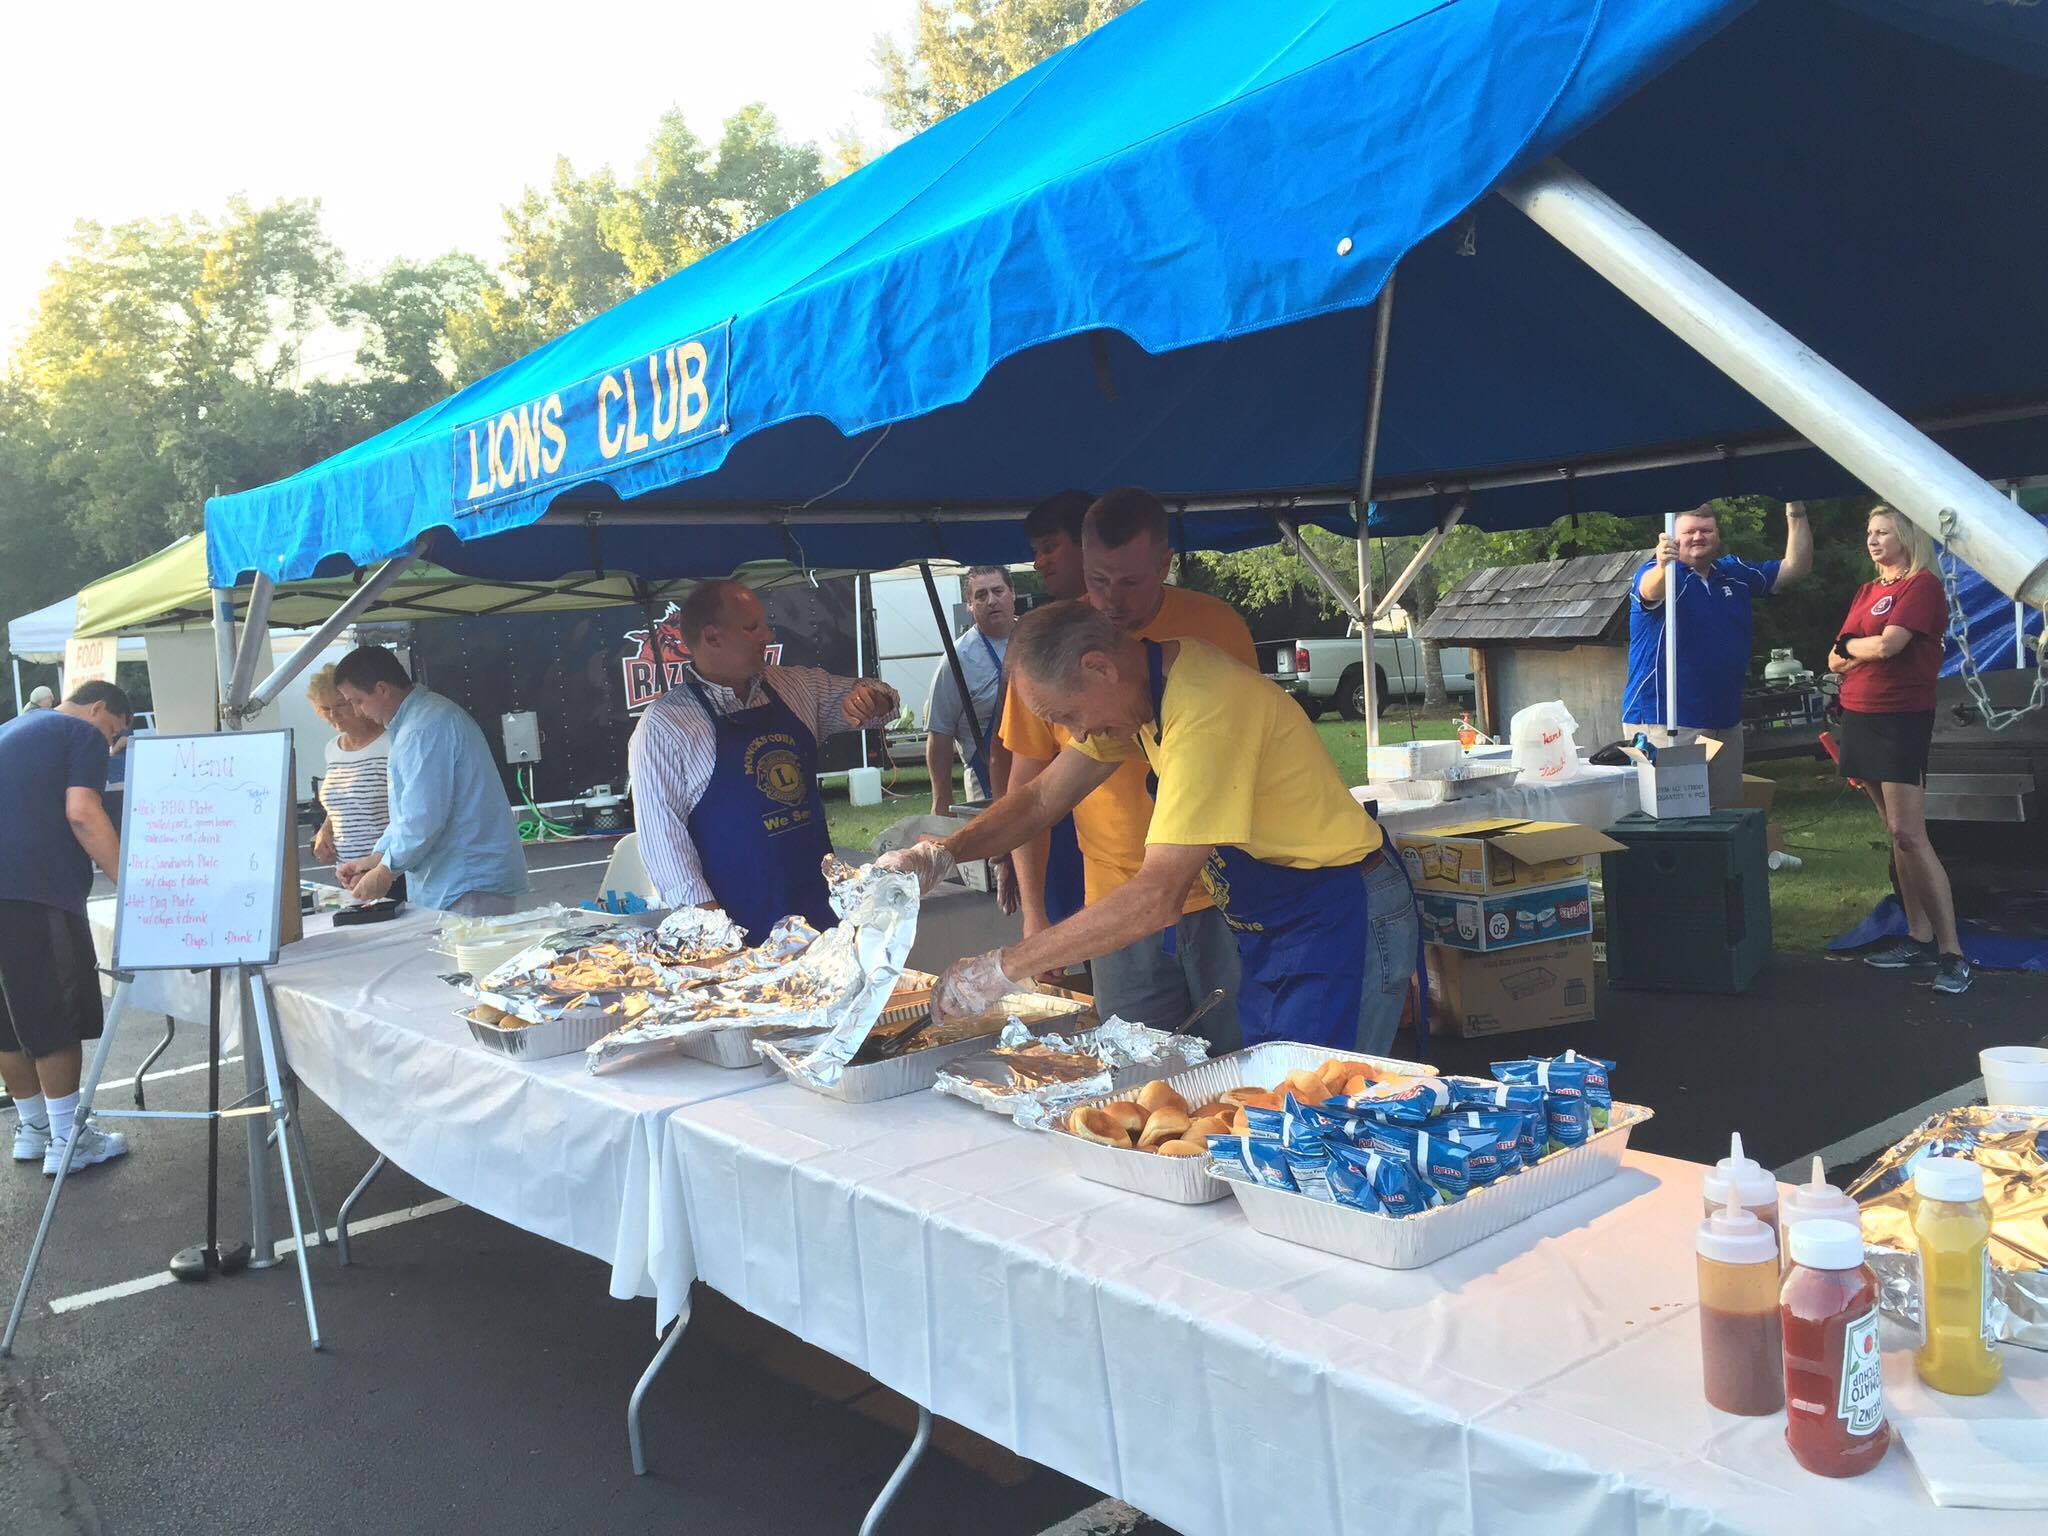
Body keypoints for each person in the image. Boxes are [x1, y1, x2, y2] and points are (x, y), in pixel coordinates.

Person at [884, 603, 1417, 1053]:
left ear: (1098, 667)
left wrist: (1004, 968)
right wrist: (944, 853)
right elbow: (1043, 798)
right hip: (1279, 921)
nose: (1078, 733)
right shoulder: (1144, 692)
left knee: (1322, 1110)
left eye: (1069, 716)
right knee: (1277, 1104)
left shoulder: (1205, 709)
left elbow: (1158, 895)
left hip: (1342, 911)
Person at [996, 488, 1260, 1047]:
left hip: (1227, 892)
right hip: (1113, 896)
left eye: (1131, 583)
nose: (1112, 601)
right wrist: (1033, 914)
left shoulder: (1215, 635)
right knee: (1136, 1076)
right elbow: (1034, 795)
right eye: (1097, 582)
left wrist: (1005, 965)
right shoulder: (1051, 653)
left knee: (1243, 1064)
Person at [629, 578, 899, 941]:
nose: (767, 635)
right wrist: (718, 940)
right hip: (740, 934)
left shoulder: (795, 686)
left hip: (821, 919)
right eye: (752, 626)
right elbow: (666, 851)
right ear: (711, 637)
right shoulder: (665, 728)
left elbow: (885, 705)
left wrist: (871, 699)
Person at [1828, 505, 1970, 994]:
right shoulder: (1869, 590)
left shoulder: (1921, 586)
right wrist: (1855, 648)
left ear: (1907, 536)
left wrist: (1854, 648)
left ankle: (1953, 953)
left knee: (1910, 834)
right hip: (1858, 713)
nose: (1873, 540)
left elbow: (1888, 647)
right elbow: (1833, 653)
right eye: (1869, 532)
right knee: (1893, 831)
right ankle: (1918, 936)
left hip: (1900, 717)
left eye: (1884, 532)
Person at [0, 680, 132, 1175]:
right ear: (99, 708)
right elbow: (82, 813)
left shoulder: (15, 725)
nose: (110, 743)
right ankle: (68, 1139)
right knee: (53, 1011)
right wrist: (135, 885)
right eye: (113, 731)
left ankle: (35, 1129)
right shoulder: (78, 735)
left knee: (10, 1021)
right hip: (36, 890)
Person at [1623, 500, 1812, 806]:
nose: (1698, 537)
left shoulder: (1733, 573)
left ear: (1717, 535)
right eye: (1689, 531)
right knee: (1677, 814)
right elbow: (1649, 591)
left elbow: (1795, 567)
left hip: (1723, 718)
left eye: (1706, 530)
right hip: (1667, 718)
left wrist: (1796, 509)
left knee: (1725, 812)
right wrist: (1662, 565)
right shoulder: (1663, 575)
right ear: (1672, 537)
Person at [331, 646, 529, 916]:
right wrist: (376, 858)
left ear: (382, 689)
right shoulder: (419, 722)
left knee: (471, 958)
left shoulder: (422, 729)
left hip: (466, 882)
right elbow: (409, 812)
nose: (356, 711)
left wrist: (386, 870)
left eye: (357, 701)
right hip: (460, 881)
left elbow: (423, 817)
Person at [1003, 491, 1094, 941]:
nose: (1038, 562)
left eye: (1050, 547)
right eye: (1034, 551)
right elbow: (1028, 790)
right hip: (1105, 886)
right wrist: (1034, 911)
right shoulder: (1040, 643)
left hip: (1219, 885)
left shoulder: (1201, 626)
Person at [925, 565, 1016, 814]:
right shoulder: (957, 659)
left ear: (1013, 593)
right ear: (969, 605)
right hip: (985, 783)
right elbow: (939, 732)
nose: (991, 601)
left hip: (1038, 772)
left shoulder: (1036, 639)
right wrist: (941, 801)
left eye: (998, 591)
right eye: (981, 595)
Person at [306, 664, 391, 874]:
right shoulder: (332, 749)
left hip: (387, 870)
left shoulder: (391, 742)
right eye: (325, 708)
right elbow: (342, 805)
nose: (333, 714)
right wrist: (325, 831)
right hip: (347, 872)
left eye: (341, 705)